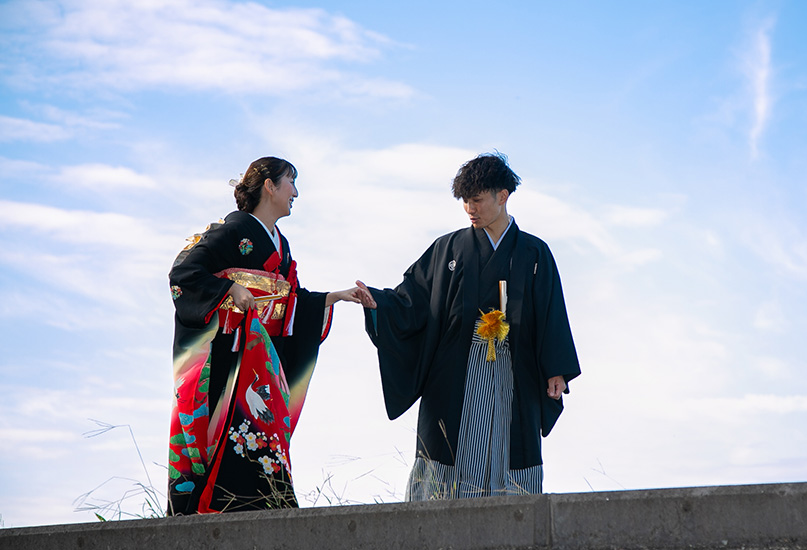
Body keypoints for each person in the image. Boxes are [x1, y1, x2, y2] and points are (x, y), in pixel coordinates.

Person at [355, 152, 580, 500]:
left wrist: (556, 370)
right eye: (465, 201)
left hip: (513, 368)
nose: (469, 209)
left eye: (477, 200)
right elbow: (413, 299)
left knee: (510, 446)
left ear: (502, 196)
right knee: (447, 448)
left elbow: (552, 313)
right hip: (455, 370)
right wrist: (379, 304)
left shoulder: (534, 253)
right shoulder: (449, 248)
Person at [167, 156, 362, 514]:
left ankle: (264, 505)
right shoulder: (229, 232)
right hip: (226, 358)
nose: (295, 192)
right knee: (218, 437)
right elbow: (183, 273)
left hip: (261, 362)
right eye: (291, 182)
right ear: (269, 186)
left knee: (262, 438)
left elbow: (292, 301)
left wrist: (332, 297)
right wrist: (229, 289)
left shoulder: (281, 245)